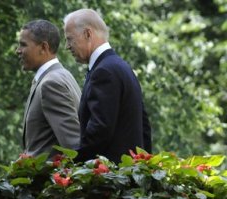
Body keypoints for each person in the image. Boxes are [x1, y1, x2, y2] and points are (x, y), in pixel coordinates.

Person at [63, 9, 152, 163]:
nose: (67, 46)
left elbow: (99, 131)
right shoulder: (121, 66)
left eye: (70, 39)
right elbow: (144, 126)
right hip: (127, 174)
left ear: (88, 34)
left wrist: (73, 163)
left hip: (108, 177)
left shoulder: (104, 71)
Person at [16, 20, 81, 157]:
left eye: (23, 45)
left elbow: (73, 146)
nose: (18, 51)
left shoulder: (51, 83)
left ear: (43, 47)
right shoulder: (63, 75)